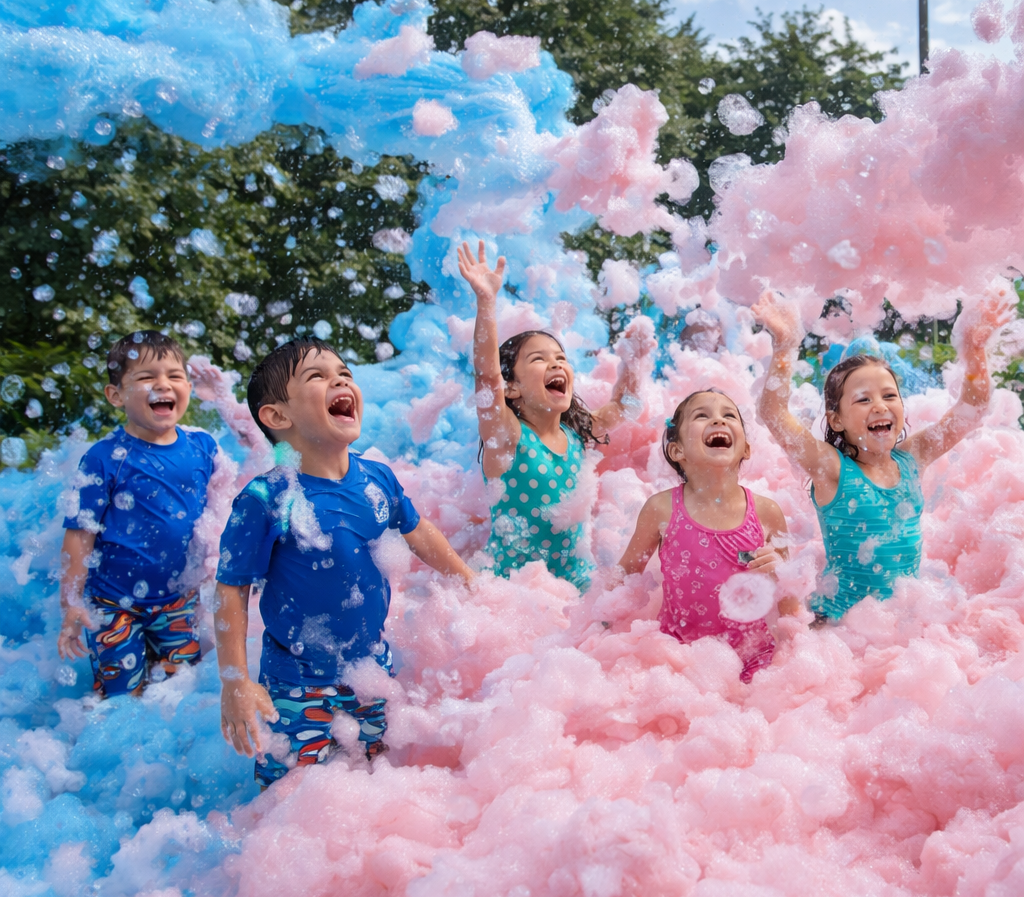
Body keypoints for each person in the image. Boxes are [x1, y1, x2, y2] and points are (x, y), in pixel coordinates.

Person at [215, 339, 474, 786]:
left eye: (344, 373)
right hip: (296, 683)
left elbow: (419, 532)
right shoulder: (266, 498)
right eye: (317, 376)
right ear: (278, 416)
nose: (340, 379)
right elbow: (230, 590)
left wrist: (470, 580)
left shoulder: (377, 478)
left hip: (371, 670)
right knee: (296, 800)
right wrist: (236, 682)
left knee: (372, 783)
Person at [753, 289, 1009, 622]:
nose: (880, 405)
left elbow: (971, 410)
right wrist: (785, 346)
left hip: (900, 628)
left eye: (890, 395)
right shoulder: (833, 469)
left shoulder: (911, 459)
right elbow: (774, 414)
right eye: (862, 399)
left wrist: (975, 351)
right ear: (836, 420)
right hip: (838, 628)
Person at [457, 240, 651, 590]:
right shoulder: (507, 438)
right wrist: (486, 302)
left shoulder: (576, 432)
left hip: (577, 582)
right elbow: (487, 379)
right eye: (539, 359)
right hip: (514, 589)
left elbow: (626, 406)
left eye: (560, 357)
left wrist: (632, 361)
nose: (556, 362)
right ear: (511, 388)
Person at [58, 331, 217, 695]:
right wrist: (70, 602)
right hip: (114, 603)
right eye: (146, 377)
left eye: (175, 376)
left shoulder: (204, 447)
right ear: (115, 395)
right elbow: (80, 534)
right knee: (119, 697)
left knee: (183, 692)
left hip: (178, 600)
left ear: (189, 388)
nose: (163, 385)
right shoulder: (104, 457)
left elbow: (222, 512)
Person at [618, 389, 798, 681]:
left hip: (754, 657)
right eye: (702, 416)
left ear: (746, 449)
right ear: (677, 451)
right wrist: (597, 631)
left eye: (729, 415)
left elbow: (789, 601)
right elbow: (625, 579)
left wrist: (779, 575)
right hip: (677, 655)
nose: (719, 421)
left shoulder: (766, 513)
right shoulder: (661, 509)